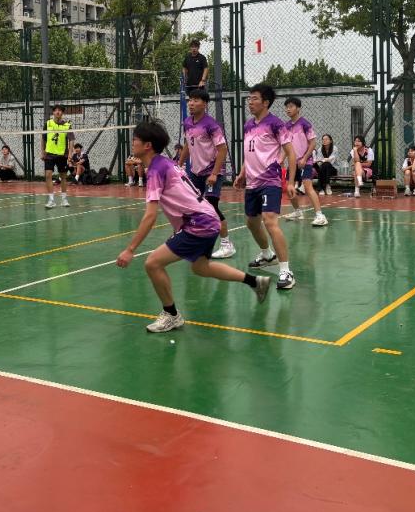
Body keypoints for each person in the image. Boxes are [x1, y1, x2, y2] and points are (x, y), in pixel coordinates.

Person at [116, 120, 271, 333]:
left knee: (152, 263)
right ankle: (255, 282)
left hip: (198, 223)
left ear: (147, 145)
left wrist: (130, 249)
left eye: (135, 140)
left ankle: (171, 315)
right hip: (208, 218)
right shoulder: (166, 164)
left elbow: (150, 216)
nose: (132, 143)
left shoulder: (156, 171)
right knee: (200, 267)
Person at [235, 84, 297, 291]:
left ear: (265, 102)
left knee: (270, 221)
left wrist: (290, 182)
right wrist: (242, 173)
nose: (250, 102)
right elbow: (249, 152)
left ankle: (286, 271)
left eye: (254, 98)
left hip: (270, 180)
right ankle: (267, 254)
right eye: (249, 98)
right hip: (252, 182)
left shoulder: (276, 124)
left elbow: (291, 153)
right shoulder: (248, 125)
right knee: (252, 223)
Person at [178, 88, 236, 258]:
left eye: (196, 100)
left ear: (205, 104)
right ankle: (194, 240)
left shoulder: (211, 125)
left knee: (211, 206)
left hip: (212, 171)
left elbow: (222, 149)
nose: (191, 103)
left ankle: (226, 244)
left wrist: (214, 174)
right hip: (195, 172)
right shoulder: (187, 122)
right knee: (192, 206)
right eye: (190, 100)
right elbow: (188, 144)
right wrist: (179, 164)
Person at [282, 97, 328, 226]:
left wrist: (304, 158)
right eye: (287, 107)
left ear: (298, 108)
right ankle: (297, 212)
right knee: (289, 187)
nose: (288, 109)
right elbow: (286, 145)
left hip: (305, 161)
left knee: (307, 187)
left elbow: (313, 143)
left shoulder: (305, 124)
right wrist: (281, 159)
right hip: (293, 163)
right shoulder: (286, 126)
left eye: (291, 106)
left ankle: (320, 215)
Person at [42, 104, 73, 209]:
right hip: (49, 154)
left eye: (60, 110)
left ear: (62, 113)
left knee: (63, 176)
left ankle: (64, 199)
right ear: (53, 112)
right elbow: (43, 138)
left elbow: (71, 140)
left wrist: (70, 154)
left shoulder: (67, 125)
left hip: (62, 154)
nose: (58, 112)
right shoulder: (48, 124)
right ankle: (51, 200)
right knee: (48, 175)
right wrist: (42, 151)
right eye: (56, 110)